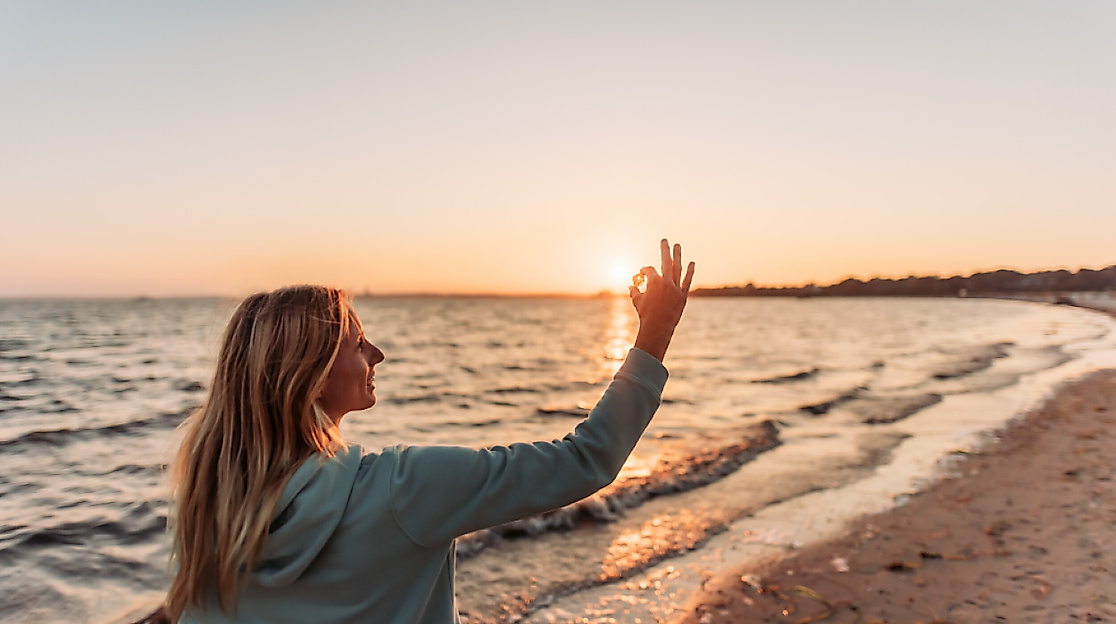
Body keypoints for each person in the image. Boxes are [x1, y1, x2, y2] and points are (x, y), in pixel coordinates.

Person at [155, 239, 695, 624]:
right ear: (310, 374)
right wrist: (653, 337)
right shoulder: (401, 489)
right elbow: (583, 460)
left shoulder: (206, 504)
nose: (377, 354)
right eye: (357, 341)